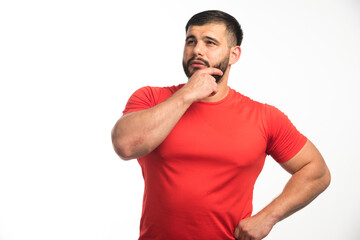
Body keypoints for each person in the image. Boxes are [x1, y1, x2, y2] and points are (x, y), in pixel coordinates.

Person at [111, 10, 331, 240]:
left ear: (234, 54)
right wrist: (187, 94)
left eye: (210, 42)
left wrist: (268, 217)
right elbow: (125, 145)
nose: (197, 49)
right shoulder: (151, 99)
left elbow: (317, 172)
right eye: (191, 41)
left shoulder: (264, 116)